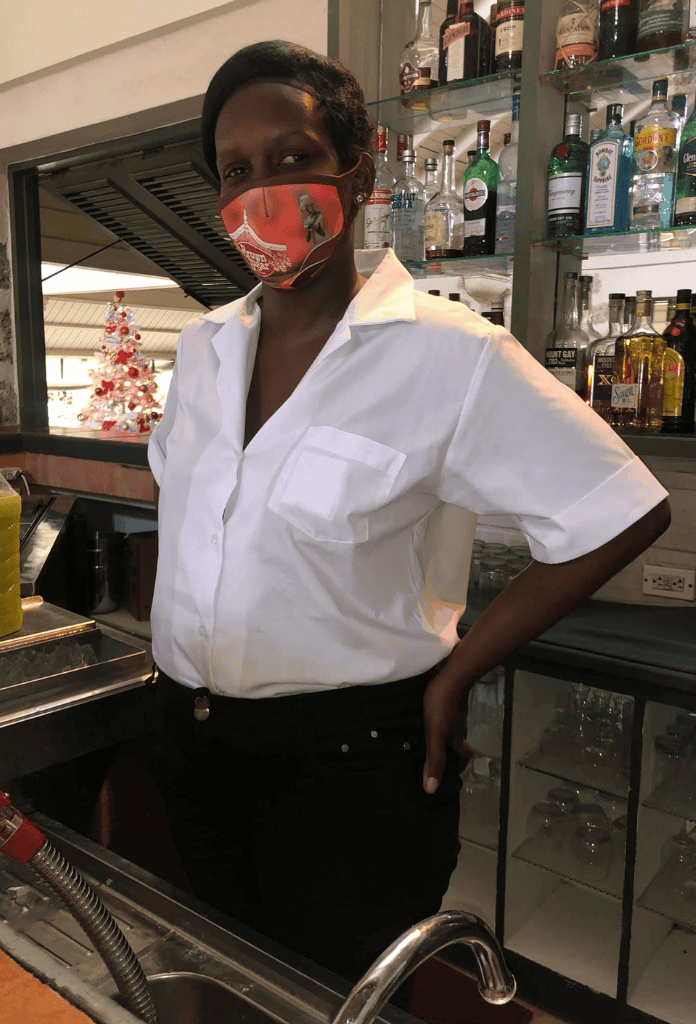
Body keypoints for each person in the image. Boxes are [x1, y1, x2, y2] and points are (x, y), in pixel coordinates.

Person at [147, 39, 670, 997]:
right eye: (236, 172)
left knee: (335, 1001)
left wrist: (459, 668)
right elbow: (191, 514)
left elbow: (620, 512)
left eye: (294, 157)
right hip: (192, 744)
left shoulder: (449, 355)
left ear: (362, 163)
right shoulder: (202, 350)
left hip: (349, 773)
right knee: (225, 988)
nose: (262, 191)